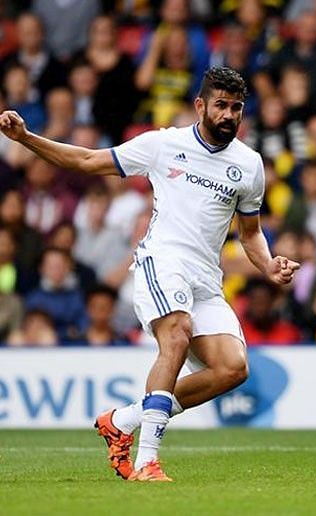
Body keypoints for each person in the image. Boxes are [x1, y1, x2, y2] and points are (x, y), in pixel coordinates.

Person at [0, 67, 299, 481]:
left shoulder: (249, 165)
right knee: (176, 334)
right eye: (221, 106)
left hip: (206, 280)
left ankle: (122, 421)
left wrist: (269, 264)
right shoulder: (164, 144)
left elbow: (251, 233)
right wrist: (26, 139)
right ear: (200, 106)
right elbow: (87, 161)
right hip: (161, 261)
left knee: (233, 368)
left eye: (236, 108)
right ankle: (146, 461)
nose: (229, 115)